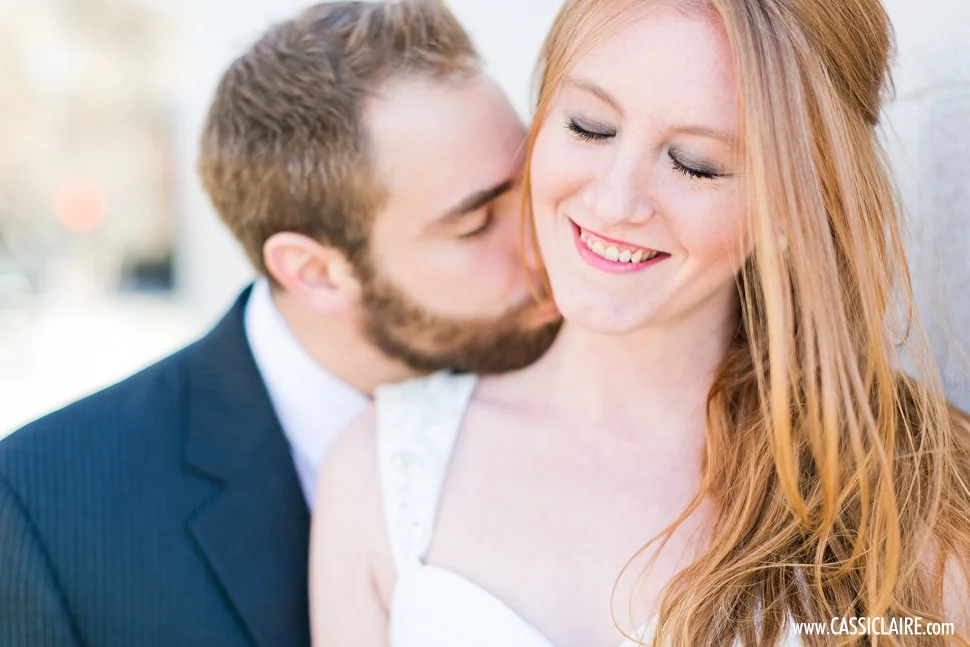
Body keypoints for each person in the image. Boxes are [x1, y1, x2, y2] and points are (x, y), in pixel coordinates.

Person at [310, 0, 970, 645]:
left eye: (695, 163)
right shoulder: (381, 469)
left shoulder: (918, 489)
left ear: (794, 204)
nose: (614, 199)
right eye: (590, 126)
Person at [0, 3, 560, 646]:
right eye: (475, 225)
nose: (543, 243)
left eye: (532, 186)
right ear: (315, 272)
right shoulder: (44, 510)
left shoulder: (589, 374)